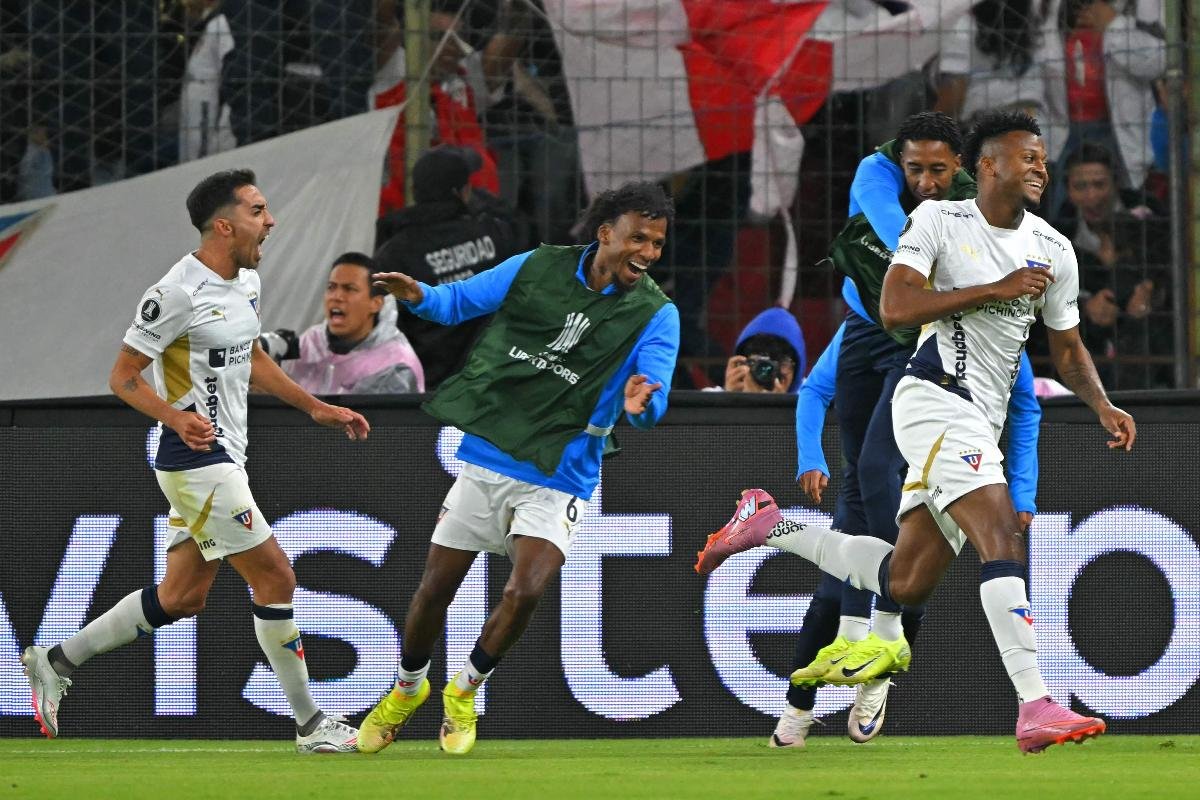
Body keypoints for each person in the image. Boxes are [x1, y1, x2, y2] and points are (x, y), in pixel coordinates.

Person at [697, 111, 1136, 754]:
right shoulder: (937, 220)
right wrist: (995, 289)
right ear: (987, 166)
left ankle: (769, 526)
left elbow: (1067, 350)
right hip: (933, 399)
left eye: (1043, 158)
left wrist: (1101, 404)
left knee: (904, 580)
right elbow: (895, 307)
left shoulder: (1054, 247)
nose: (1041, 168)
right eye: (1028, 157)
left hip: (979, 418)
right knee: (1001, 538)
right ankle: (1035, 704)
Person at [20, 169, 371, 753]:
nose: (271, 221)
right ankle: (311, 724)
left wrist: (314, 406)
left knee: (182, 596)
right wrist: (173, 416)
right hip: (195, 457)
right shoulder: (175, 293)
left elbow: (250, 356)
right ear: (224, 225)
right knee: (276, 577)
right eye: (258, 211)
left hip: (224, 456)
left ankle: (55, 662)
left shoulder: (247, 281)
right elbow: (123, 377)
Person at [358, 181, 679, 756]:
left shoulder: (657, 313)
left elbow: (653, 393)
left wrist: (643, 403)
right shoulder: (538, 266)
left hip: (562, 469)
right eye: (639, 239)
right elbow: (457, 303)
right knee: (434, 591)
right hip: (493, 454)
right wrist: (418, 295)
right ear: (606, 233)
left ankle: (464, 691)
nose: (649, 253)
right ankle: (407, 689)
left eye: (657, 243)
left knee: (525, 590)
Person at [772, 112, 1040, 748]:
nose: (924, 181)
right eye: (913, 169)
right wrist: (810, 455)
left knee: (889, 550)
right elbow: (815, 389)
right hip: (879, 370)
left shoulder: (979, 327)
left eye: (937, 171)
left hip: (923, 426)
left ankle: (874, 674)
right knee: (847, 574)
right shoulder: (884, 196)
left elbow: (1026, 402)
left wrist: (1023, 491)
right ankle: (798, 707)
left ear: (962, 170)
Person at [373, 146, 521, 390]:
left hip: (422, 389)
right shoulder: (495, 233)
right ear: (462, 191)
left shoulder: (393, 252)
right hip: (490, 382)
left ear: (415, 192)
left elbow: (386, 327)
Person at [261, 252, 426, 394]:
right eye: (331, 287)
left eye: (349, 289)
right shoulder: (312, 341)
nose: (337, 296)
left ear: (376, 304)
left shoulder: (396, 365)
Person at [722, 307, 806, 394]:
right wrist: (729, 397)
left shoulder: (811, 398)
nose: (765, 372)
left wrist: (784, 401)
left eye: (781, 362)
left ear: (796, 371)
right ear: (741, 363)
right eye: (756, 362)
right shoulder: (715, 397)